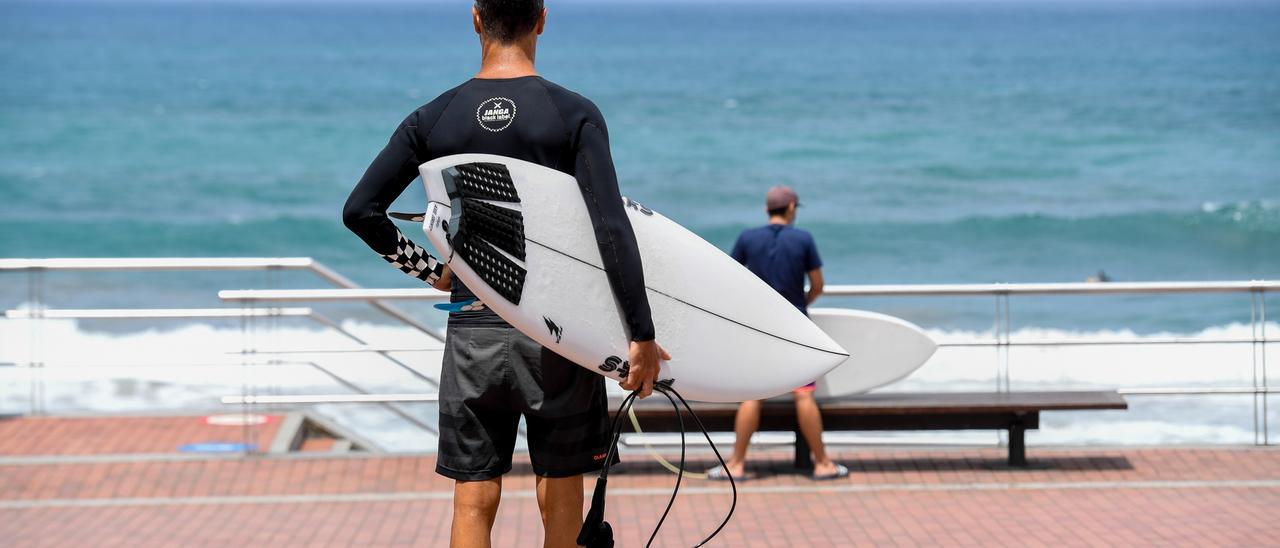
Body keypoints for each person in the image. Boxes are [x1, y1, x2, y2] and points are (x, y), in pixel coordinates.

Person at [342, 2, 669, 546]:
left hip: (474, 327)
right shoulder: (573, 114)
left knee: (474, 494)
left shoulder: (433, 117)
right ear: (541, 19)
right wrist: (641, 333)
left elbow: (360, 212)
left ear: (475, 19)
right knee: (560, 487)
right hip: (557, 334)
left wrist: (434, 272)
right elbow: (609, 226)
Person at [708, 185, 849, 481]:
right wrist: (802, 305)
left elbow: (729, 278)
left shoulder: (747, 238)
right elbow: (818, 284)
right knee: (804, 395)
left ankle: (736, 464)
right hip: (796, 328)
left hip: (759, 327)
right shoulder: (803, 239)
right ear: (792, 208)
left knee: (752, 396)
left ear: (766, 210)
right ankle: (822, 464)